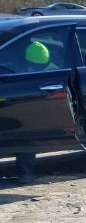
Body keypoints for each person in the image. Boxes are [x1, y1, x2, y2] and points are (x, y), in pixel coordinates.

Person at [15, 40, 57, 183]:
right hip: (39, 111)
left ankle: (25, 174)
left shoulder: (48, 73)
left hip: (45, 114)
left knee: (27, 136)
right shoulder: (51, 67)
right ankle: (25, 174)